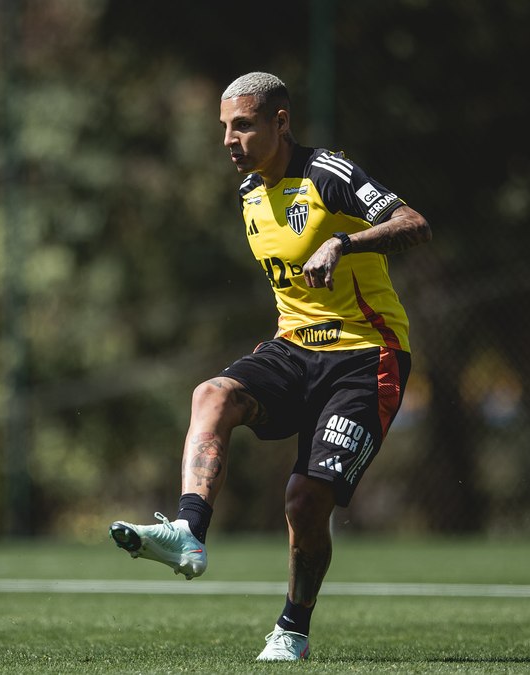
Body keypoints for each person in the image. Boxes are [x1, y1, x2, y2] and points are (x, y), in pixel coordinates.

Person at [109, 71, 431, 662]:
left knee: (305, 503)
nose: (230, 139)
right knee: (211, 394)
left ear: (281, 122)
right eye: (224, 128)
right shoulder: (249, 194)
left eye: (244, 125)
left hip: (365, 356)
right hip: (292, 350)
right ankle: (188, 534)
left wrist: (346, 243)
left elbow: (415, 223)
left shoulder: (329, 175)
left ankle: (292, 629)